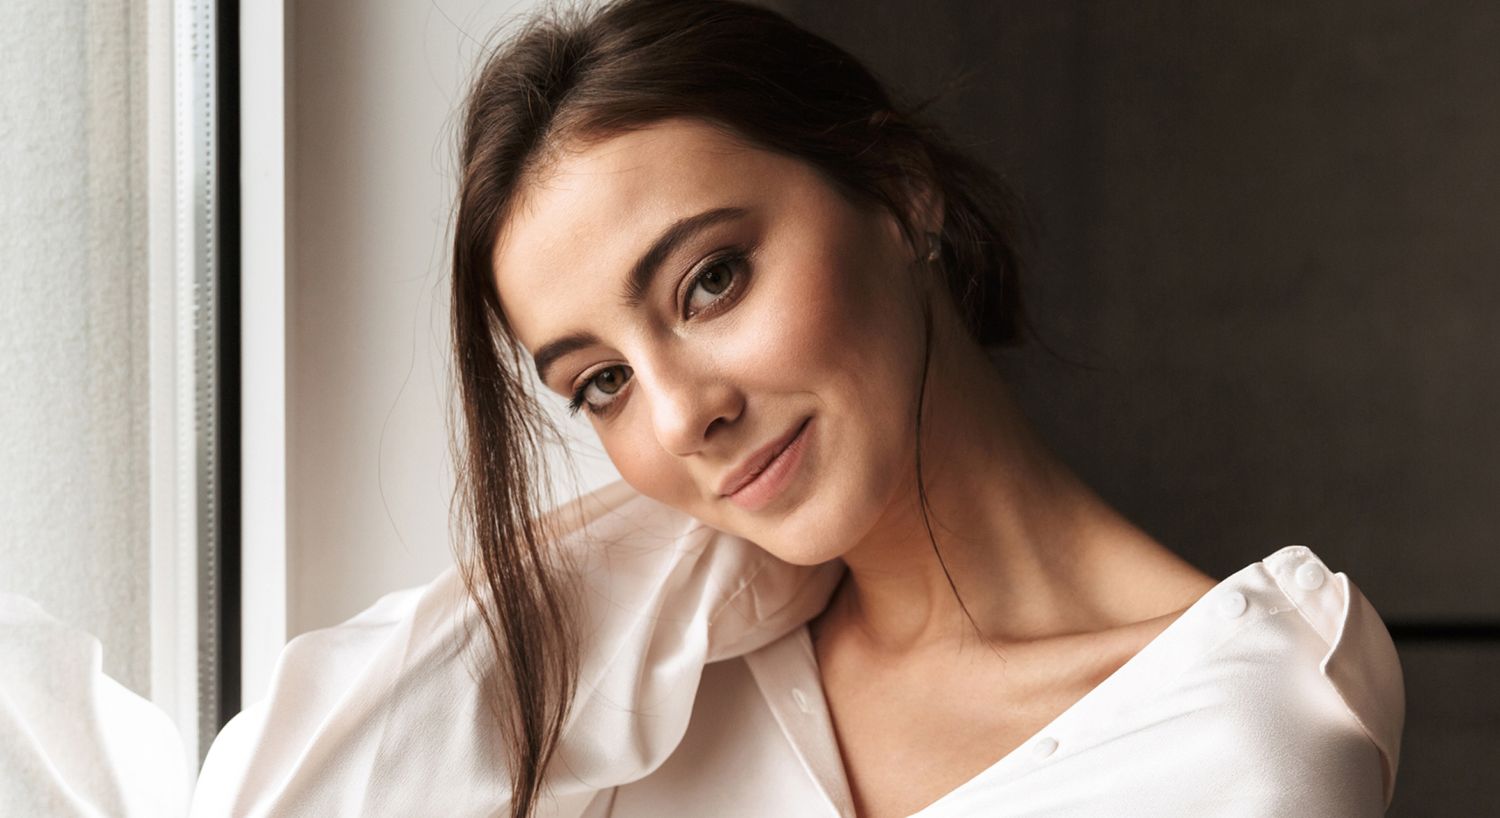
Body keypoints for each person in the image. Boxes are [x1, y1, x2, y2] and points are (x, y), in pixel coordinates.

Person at [187, 0, 1405, 816]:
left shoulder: (1232, 740)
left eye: (710, 279)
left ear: (899, 192)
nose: (677, 417)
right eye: (599, 381)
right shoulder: (667, 672)